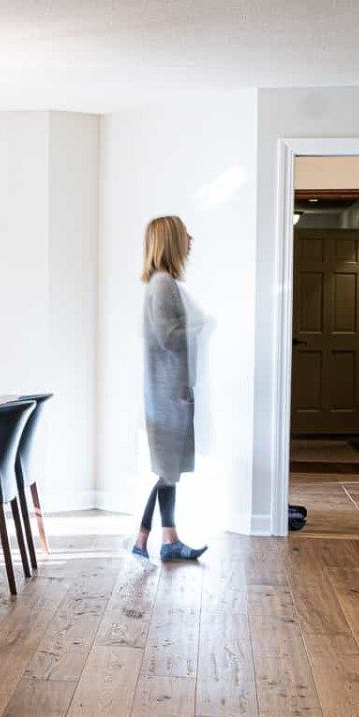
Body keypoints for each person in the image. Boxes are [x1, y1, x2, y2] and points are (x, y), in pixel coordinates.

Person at [135, 215, 208, 562]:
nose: (191, 239)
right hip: (167, 399)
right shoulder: (163, 284)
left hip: (167, 394)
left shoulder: (161, 283)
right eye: (184, 234)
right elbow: (168, 337)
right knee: (166, 472)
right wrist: (196, 325)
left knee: (170, 473)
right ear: (171, 241)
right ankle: (141, 540)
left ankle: (169, 540)